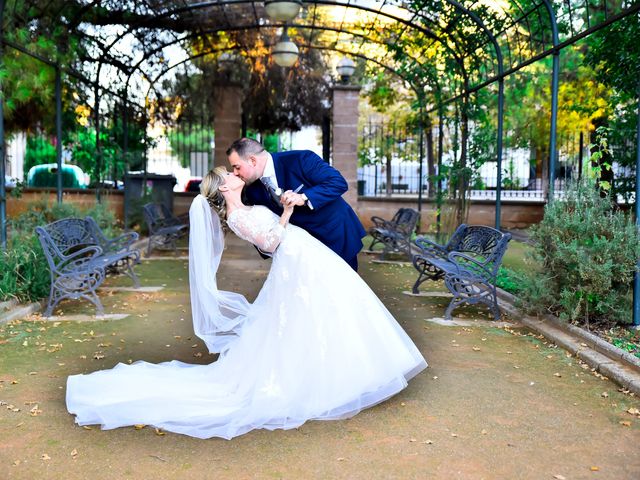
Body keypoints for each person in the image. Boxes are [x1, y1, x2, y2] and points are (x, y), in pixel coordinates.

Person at [65, 167, 427, 440]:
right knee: (309, 318)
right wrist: (286, 211)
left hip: (305, 258)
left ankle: (341, 375)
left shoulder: (246, 205)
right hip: (294, 261)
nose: (236, 173)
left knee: (320, 315)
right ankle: (322, 380)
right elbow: (270, 243)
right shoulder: (238, 216)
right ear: (225, 187)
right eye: (230, 173)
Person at [226, 137, 366, 271]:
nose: (235, 173)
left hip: (335, 235)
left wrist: (303, 197)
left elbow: (338, 182)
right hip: (303, 252)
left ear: (252, 160)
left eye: (237, 167)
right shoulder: (251, 190)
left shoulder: (300, 159)